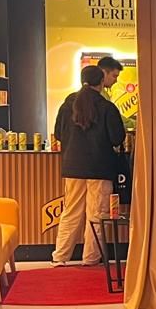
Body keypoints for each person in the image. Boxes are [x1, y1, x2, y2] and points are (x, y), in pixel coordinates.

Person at [52, 64, 126, 266]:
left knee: (70, 212)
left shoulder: (67, 105)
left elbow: (58, 134)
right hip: (100, 168)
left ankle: (60, 257)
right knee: (97, 215)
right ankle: (91, 258)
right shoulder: (107, 107)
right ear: (101, 81)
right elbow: (117, 138)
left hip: (72, 166)